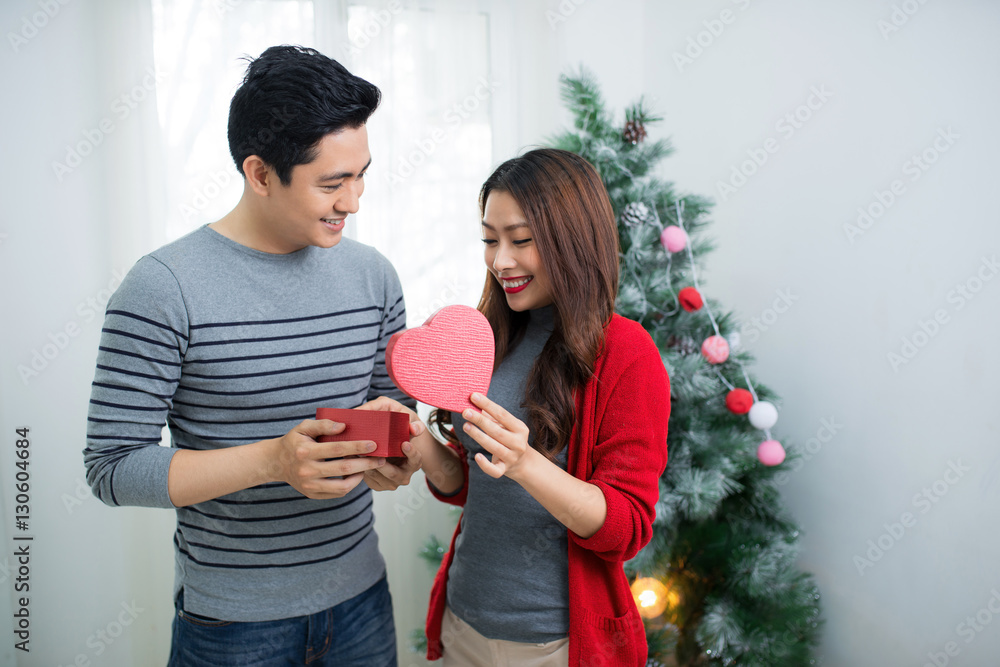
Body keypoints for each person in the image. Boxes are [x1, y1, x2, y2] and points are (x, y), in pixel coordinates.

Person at [83, 45, 422, 666]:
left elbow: (392, 406)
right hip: (233, 627)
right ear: (260, 173)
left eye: (361, 174)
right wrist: (273, 461)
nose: (354, 201)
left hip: (362, 604)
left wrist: (396, 451)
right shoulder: (164, 287)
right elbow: (112, 467)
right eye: (332, 183)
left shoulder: (375, 276)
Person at [369, 148, 671, 666]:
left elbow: (627, 526)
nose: (500, 260)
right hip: (464, 620)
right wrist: (420, 441)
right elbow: (473, 483)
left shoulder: (625, 351)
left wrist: (527, 464)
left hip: (551, 645)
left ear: (571, 240)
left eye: (521, 240)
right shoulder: (495, 330)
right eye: (490, 240)